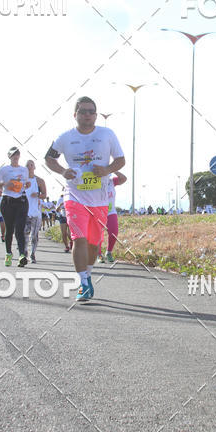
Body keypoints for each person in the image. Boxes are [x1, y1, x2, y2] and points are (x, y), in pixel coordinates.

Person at [45, 96, 125, 302]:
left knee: (93, 243)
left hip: (99, 199)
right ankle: (83, 282)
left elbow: (121, 160)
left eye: (91, 111)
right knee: (78, 238)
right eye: (83, 111)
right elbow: (49, 158)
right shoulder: (65, 137)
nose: (87, 115)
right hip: (74, 196)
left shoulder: (107, 134)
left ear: (96, 115)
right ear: (75, 115)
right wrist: (63, 171)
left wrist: (106, 169)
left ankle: (87, 275)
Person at [0, 147, 29, 266]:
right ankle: (8, 254)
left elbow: (26, 184)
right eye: (13, 154)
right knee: (9, 229)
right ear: (9, 156)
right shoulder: (4, 169)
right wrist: (5, 184)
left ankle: (22, 255)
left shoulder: (24, 170)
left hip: (21, 201)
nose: (16, 156)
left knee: (20, 229)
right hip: (7, 201)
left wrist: (27, 185)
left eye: (18, 154)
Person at [97, 171, 127, 262]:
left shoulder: (112, 181)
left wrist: (113, 169)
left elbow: (124, 179)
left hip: (111, 212)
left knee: (114, 232)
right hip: (98, 211)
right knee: (98, 234)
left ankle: (108, 252)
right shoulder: (95, 182)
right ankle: (99, 255)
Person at [24, 160, 47, 263]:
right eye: (27, 165)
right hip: (24, 212)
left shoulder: (39, 181)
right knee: (25, 233)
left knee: (34, 235)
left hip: (36, 212)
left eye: (31, 165)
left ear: (34, 167)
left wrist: (37, 195)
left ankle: (33, 253)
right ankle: (24, 253)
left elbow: (44, 195)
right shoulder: (22, 181)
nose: (29, 167)